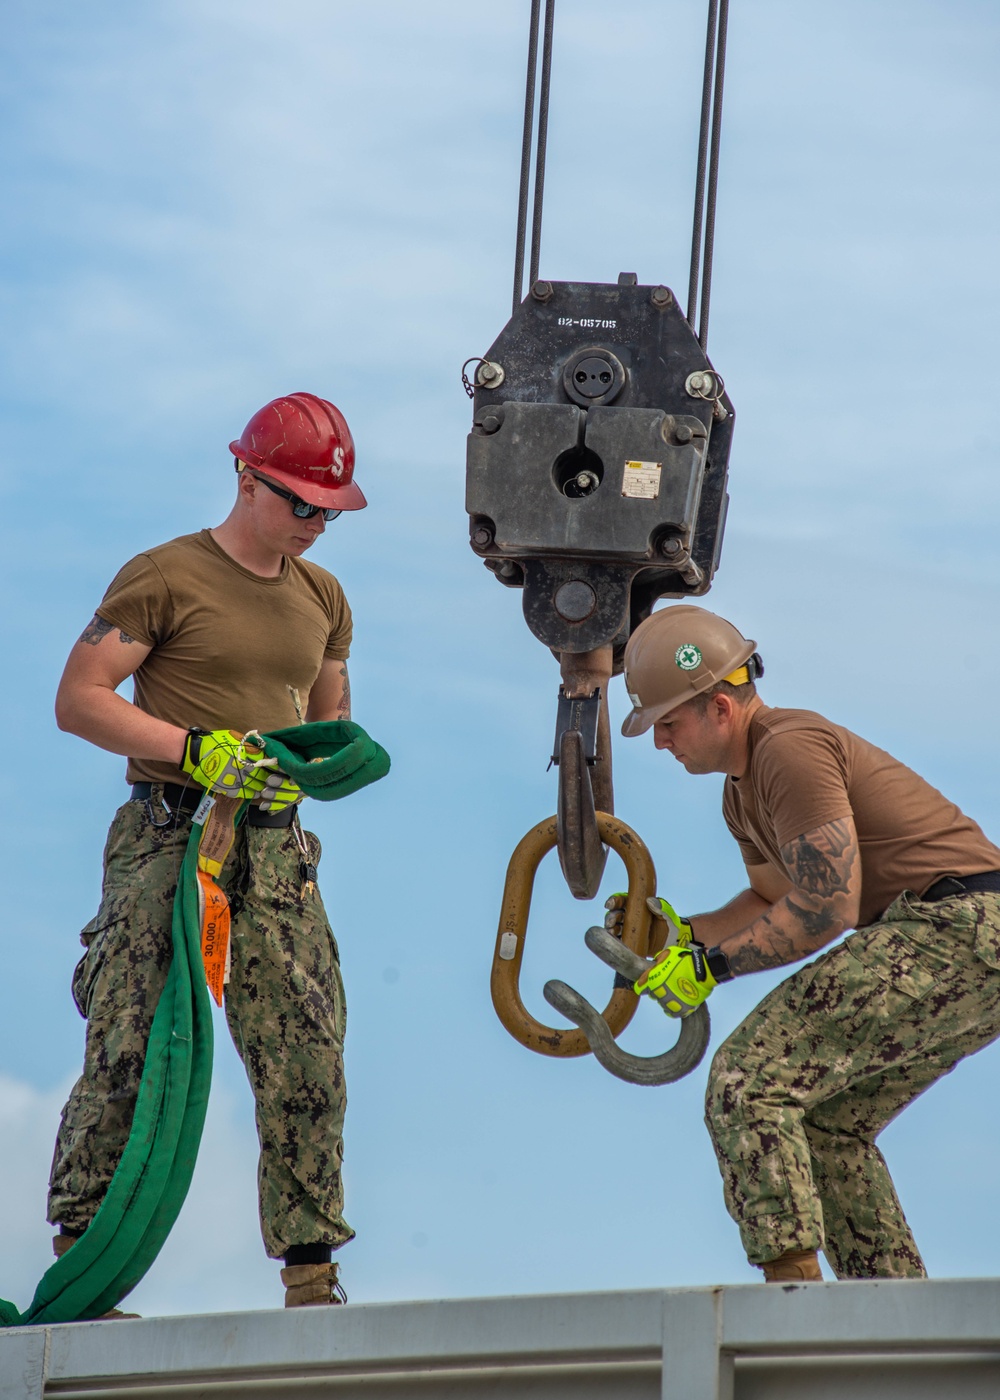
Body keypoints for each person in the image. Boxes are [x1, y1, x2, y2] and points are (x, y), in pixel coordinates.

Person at [48, 391, 367, 1309]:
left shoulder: (324, 599)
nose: (313, 525)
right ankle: (82, 1268)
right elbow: (81, 698)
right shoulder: (165, 576)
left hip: (273, 847)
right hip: (169, 833)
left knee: (308, 1049)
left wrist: (331, 757)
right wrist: (192, 747)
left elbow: (325, 716)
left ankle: (312, 1277)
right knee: (130, 1041)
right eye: (299, 503)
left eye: (327, 511)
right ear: (246, 477)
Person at [616, 604, 1000, 1283]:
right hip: (964, 947)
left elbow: (826, 904)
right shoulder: (741, 794)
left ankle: (792, 1308)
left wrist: (712, 966)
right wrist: (676, 935)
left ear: (721, 708)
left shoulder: (787, 747)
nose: (660, 743)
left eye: (668, 723)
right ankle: (888, 1320)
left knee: (751, 1082)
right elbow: (771, 902)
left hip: (959, 929)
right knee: (826, 1127)